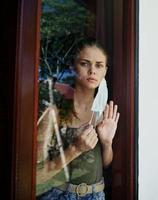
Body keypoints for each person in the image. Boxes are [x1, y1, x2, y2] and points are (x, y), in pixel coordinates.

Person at [36, 38, 119, 200]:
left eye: (99, 65)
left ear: (105, 71)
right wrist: (75, 149)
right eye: (85, 63)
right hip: (60, 194)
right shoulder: (55, 111)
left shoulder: (104, 112)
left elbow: (105, 164)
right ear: (72, 66)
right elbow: (37, 177)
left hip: (96, 195)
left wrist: (107, 144)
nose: (92, 71)